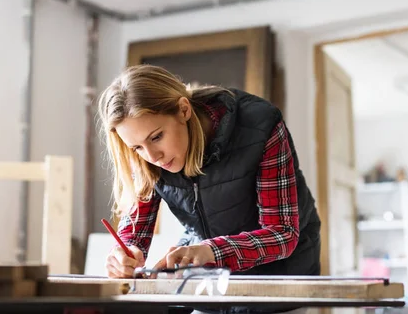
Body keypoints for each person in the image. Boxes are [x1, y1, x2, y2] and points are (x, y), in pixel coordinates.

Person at [97, 64, 321, 281]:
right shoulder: (145, 152)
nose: (153, 157)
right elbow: (135, 230)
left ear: (183, 110)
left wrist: (212, 251)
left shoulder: (260, 127)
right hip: (209, 274)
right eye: (136, 148)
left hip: (280, 276)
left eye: (156, 137)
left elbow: (282, 234)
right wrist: (124, 253)